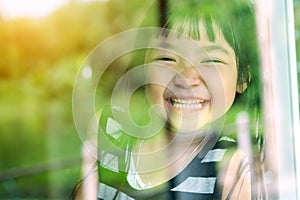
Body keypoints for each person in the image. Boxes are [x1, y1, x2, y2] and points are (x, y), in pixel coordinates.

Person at [72, 0, 265, 199]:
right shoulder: (111, 128)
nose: (187, 78)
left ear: (243, 77)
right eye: (167, 58)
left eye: (211, 61)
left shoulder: (233, 166)